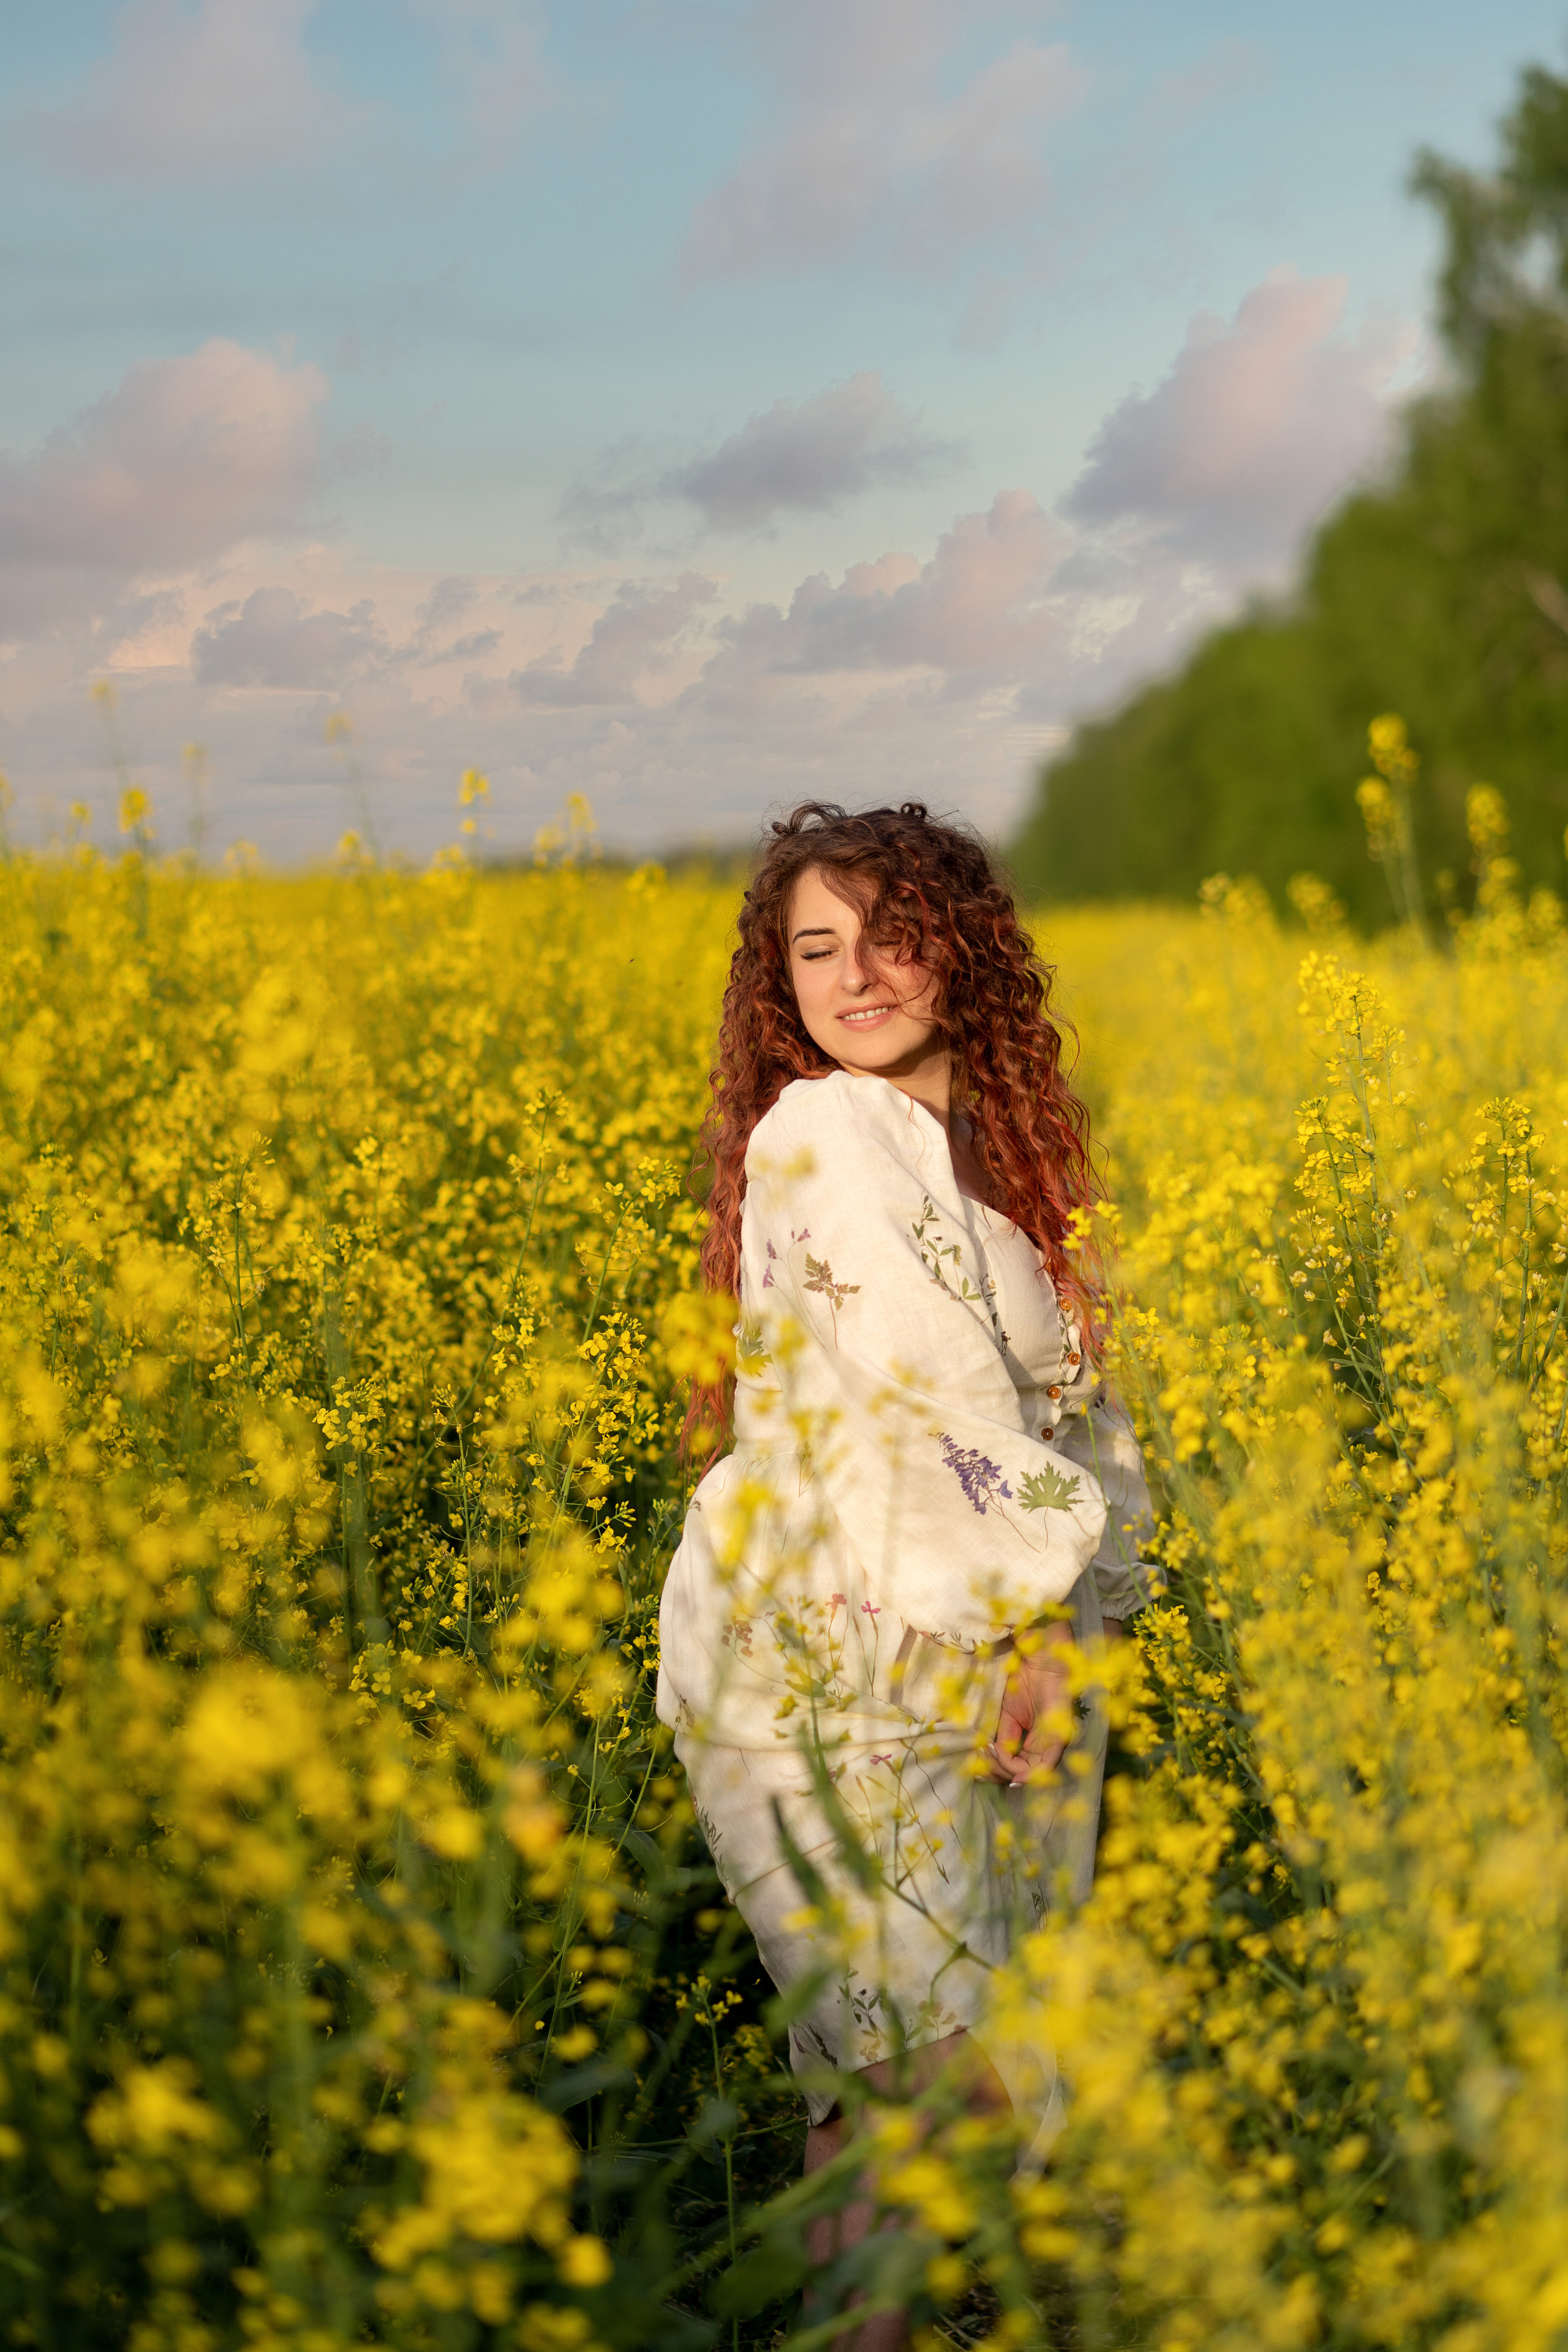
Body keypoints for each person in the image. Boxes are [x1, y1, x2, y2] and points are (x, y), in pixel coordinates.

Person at [655, 802, 1156, 2348]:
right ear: (779, 988)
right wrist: (1030, 1620)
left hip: (982, 1652)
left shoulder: (1009, 1161)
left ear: (963, 949)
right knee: (931, 2076)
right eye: (816, 948)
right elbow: (915, 1398)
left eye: (887, 934)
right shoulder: (828, 1134)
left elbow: (1090, 1427)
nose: (854, 974)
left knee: (901, 2094)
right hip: (833, 1656)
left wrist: (1086, 1633)